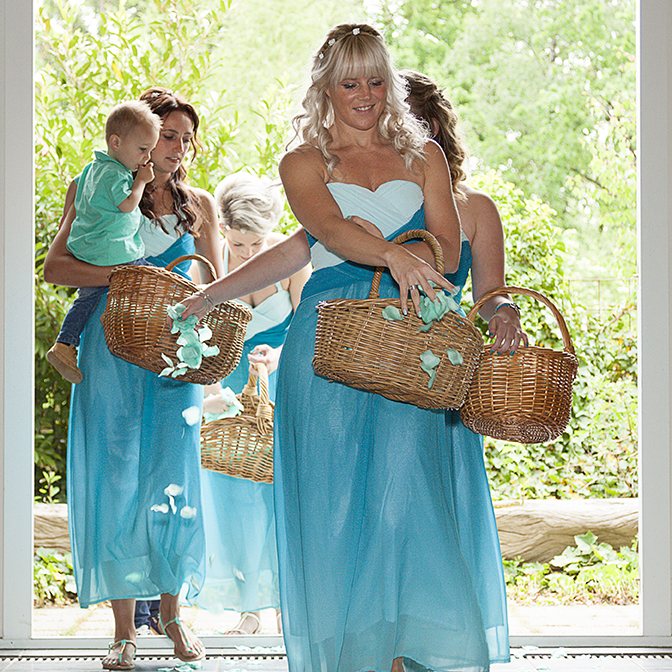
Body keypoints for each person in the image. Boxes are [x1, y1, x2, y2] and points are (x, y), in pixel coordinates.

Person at [181, 23, 509, 672]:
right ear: (326, 88)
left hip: (410, 341)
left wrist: (404, 254)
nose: (364, 95)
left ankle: (409, 656)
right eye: (349, 83)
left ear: (391, 85)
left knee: (409, 501)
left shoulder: (424, 157)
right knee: (334, 507)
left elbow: (447, 248)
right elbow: (323, 233)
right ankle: (353, 657)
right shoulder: (305, 162)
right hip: (329, 345)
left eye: (376, 81)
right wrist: (211, 295)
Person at [43, 87, 224, 671]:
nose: (176, 148)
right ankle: (123, 630)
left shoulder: (200, 205)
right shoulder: (96, 186)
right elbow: (56, 267)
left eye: (186, 139)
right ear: (140, 140)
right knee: (115, 476)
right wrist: (130, 277)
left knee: (175, 479)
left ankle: (172, 615)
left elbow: (217, 287)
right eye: (167, 136)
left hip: (175, 356)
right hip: (110, 349)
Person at [186, 171, 310, 634]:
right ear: (222, 228)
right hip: (228, 389)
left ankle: (288, 606)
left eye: (256, 244)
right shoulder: (208, 265)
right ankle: (250, 609)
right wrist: (211, 392)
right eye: (237, 243)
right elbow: (193, 336)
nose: (246, 253)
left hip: (280, 386)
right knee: (235, 498)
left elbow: (309, 327)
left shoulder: (291, 261)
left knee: (282, 493)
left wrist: (279, 355)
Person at [46, 100, 161, 384]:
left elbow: (76, 206)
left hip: (93, 252)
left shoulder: (91, 169)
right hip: (116, 253)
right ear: (116, 142)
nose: (147, 158)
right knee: (154, 281)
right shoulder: (115, 173)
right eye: (143, 149)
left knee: (86, 299)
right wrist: (141, 181)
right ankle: (159, 338)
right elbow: (127, 204)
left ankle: (65, 343)